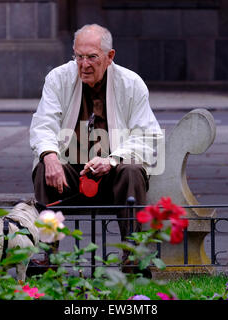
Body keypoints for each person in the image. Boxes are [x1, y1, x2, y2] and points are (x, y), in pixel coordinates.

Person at [29, 24, 163, 272]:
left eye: (92, 57)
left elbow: (147, 135)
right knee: (44, 167)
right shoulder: (58, 78)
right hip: (71, 179)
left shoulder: (131, 83)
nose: (84, 64)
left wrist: (112, 160)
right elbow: (43, 123)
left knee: (131, 170)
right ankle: (46, 254)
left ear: (110, 57)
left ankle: (133, 255)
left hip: (114, 178)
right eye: (78, 56)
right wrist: (50, 156)